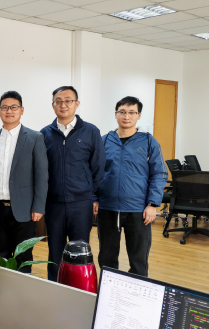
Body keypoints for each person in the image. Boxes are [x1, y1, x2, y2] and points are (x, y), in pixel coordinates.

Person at [94, 96, 167, 277]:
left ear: (138, 115)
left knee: (138, 259)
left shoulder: (149, 142)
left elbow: (159, 173)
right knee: (107, 257)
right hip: (108, 208)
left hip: (138, 209)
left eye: (132, 112)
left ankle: (137, 291)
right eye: (123, 112)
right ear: (116, 114)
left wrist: (152, 204)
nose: (127, 116)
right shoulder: (104, 141)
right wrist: (94, 198)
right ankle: (108, 289)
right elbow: (94, 172)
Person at [41, 86, 105, 282]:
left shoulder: (91, 131)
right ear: (53, 105)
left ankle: (80, 289)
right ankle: (55, 289)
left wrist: (91, 194)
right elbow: (41, 170)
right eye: (58, 101)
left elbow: (98, 167)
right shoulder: (44, 134)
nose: (63, 105)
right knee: (55, 252)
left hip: (81, 203)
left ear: (77, 104)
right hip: (53, 204)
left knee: (80, 251)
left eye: (68, 100)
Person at [0, 91, 48, 272]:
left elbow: (41, 175)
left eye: (14, 107)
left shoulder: (35, 138)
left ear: (22, 110)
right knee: (0, 255)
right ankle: (4, 290)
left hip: (24, 209)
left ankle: (21, 290)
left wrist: (38, 207)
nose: (9, 111)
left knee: (23, 258)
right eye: (5, 107)